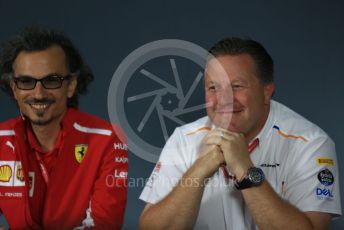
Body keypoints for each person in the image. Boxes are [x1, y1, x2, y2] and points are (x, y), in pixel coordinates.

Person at [139, 37, 341, 229]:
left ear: (266, 91)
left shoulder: (311, 143)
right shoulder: (184, 138)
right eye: (213, 87)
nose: (224, 99)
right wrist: (198, 172)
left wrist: (245, 170)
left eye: (236, 86)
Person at [0, 26, 128, 229]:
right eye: (26, 81)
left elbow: (104, 225)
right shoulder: (1, 139)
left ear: (71, 86)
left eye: (52, 80)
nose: (39, 93)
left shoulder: (107, 139)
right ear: (14, 89)